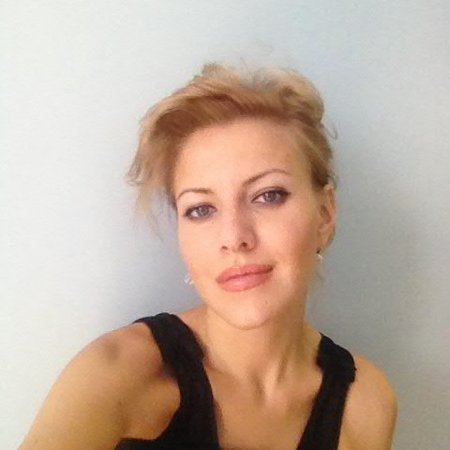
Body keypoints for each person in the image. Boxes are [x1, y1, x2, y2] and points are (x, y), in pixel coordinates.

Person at [19, 62, 397, 450]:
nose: (233, 237)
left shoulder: (365, 402)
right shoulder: (116, 375)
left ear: (325, 214)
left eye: (268, 196)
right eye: (201, 209)